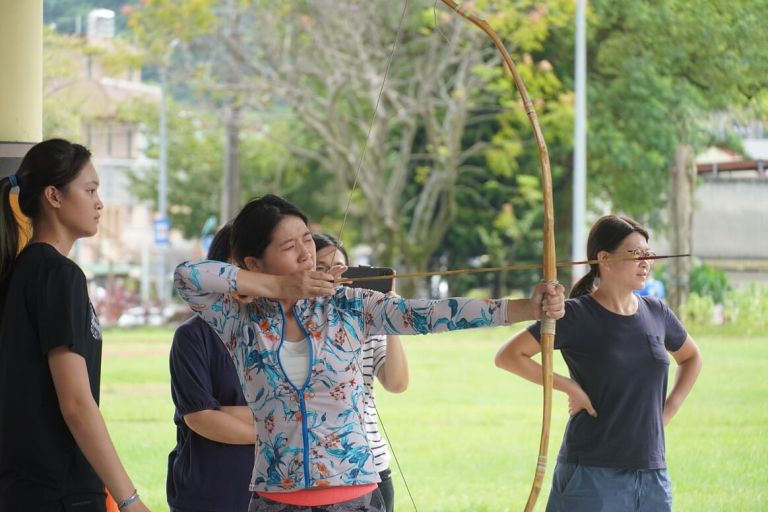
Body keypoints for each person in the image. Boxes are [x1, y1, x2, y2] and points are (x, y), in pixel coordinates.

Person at [172, 194, 565, 512]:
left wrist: (526, 308)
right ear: (255, 263)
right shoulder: (239, 320)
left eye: (307, 238)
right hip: (275, 498)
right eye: (289, 247)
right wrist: (276, 288)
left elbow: (428, 314)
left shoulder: (349, 304)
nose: (306, 254)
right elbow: (188, 276)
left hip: (354, 497)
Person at [495, 214, 702, 512]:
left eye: (649, 254)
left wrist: (668, 410)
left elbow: (692, 357)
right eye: (636, 254)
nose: (646, 261)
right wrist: (569, 388)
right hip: (591, 475)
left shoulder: (657, 312)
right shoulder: (574, 315)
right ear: (604, 259)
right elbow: (508, 356)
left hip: (652, 474)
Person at [0, 139, 149, 511]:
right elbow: (76, 403)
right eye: (90, 190)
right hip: (59, 492)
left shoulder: (21, 272)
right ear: (54, 195)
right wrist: (130, 500)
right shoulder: (58, 275)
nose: (99, 202)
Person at [312, 233, 408, 512]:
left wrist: (390, 318)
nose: (332, 275)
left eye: (341, 268)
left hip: (373, 468)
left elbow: (397, 382)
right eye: (320, 268)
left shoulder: (365, 320)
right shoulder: (294, 323)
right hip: (324, 473)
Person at [166, 223, 256, 512]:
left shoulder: (278, 331)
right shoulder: (193, 335)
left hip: (273, 492)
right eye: (238, 268)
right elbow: (202, 418)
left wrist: (228, 412)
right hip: (210, 493)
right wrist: (278, 429)